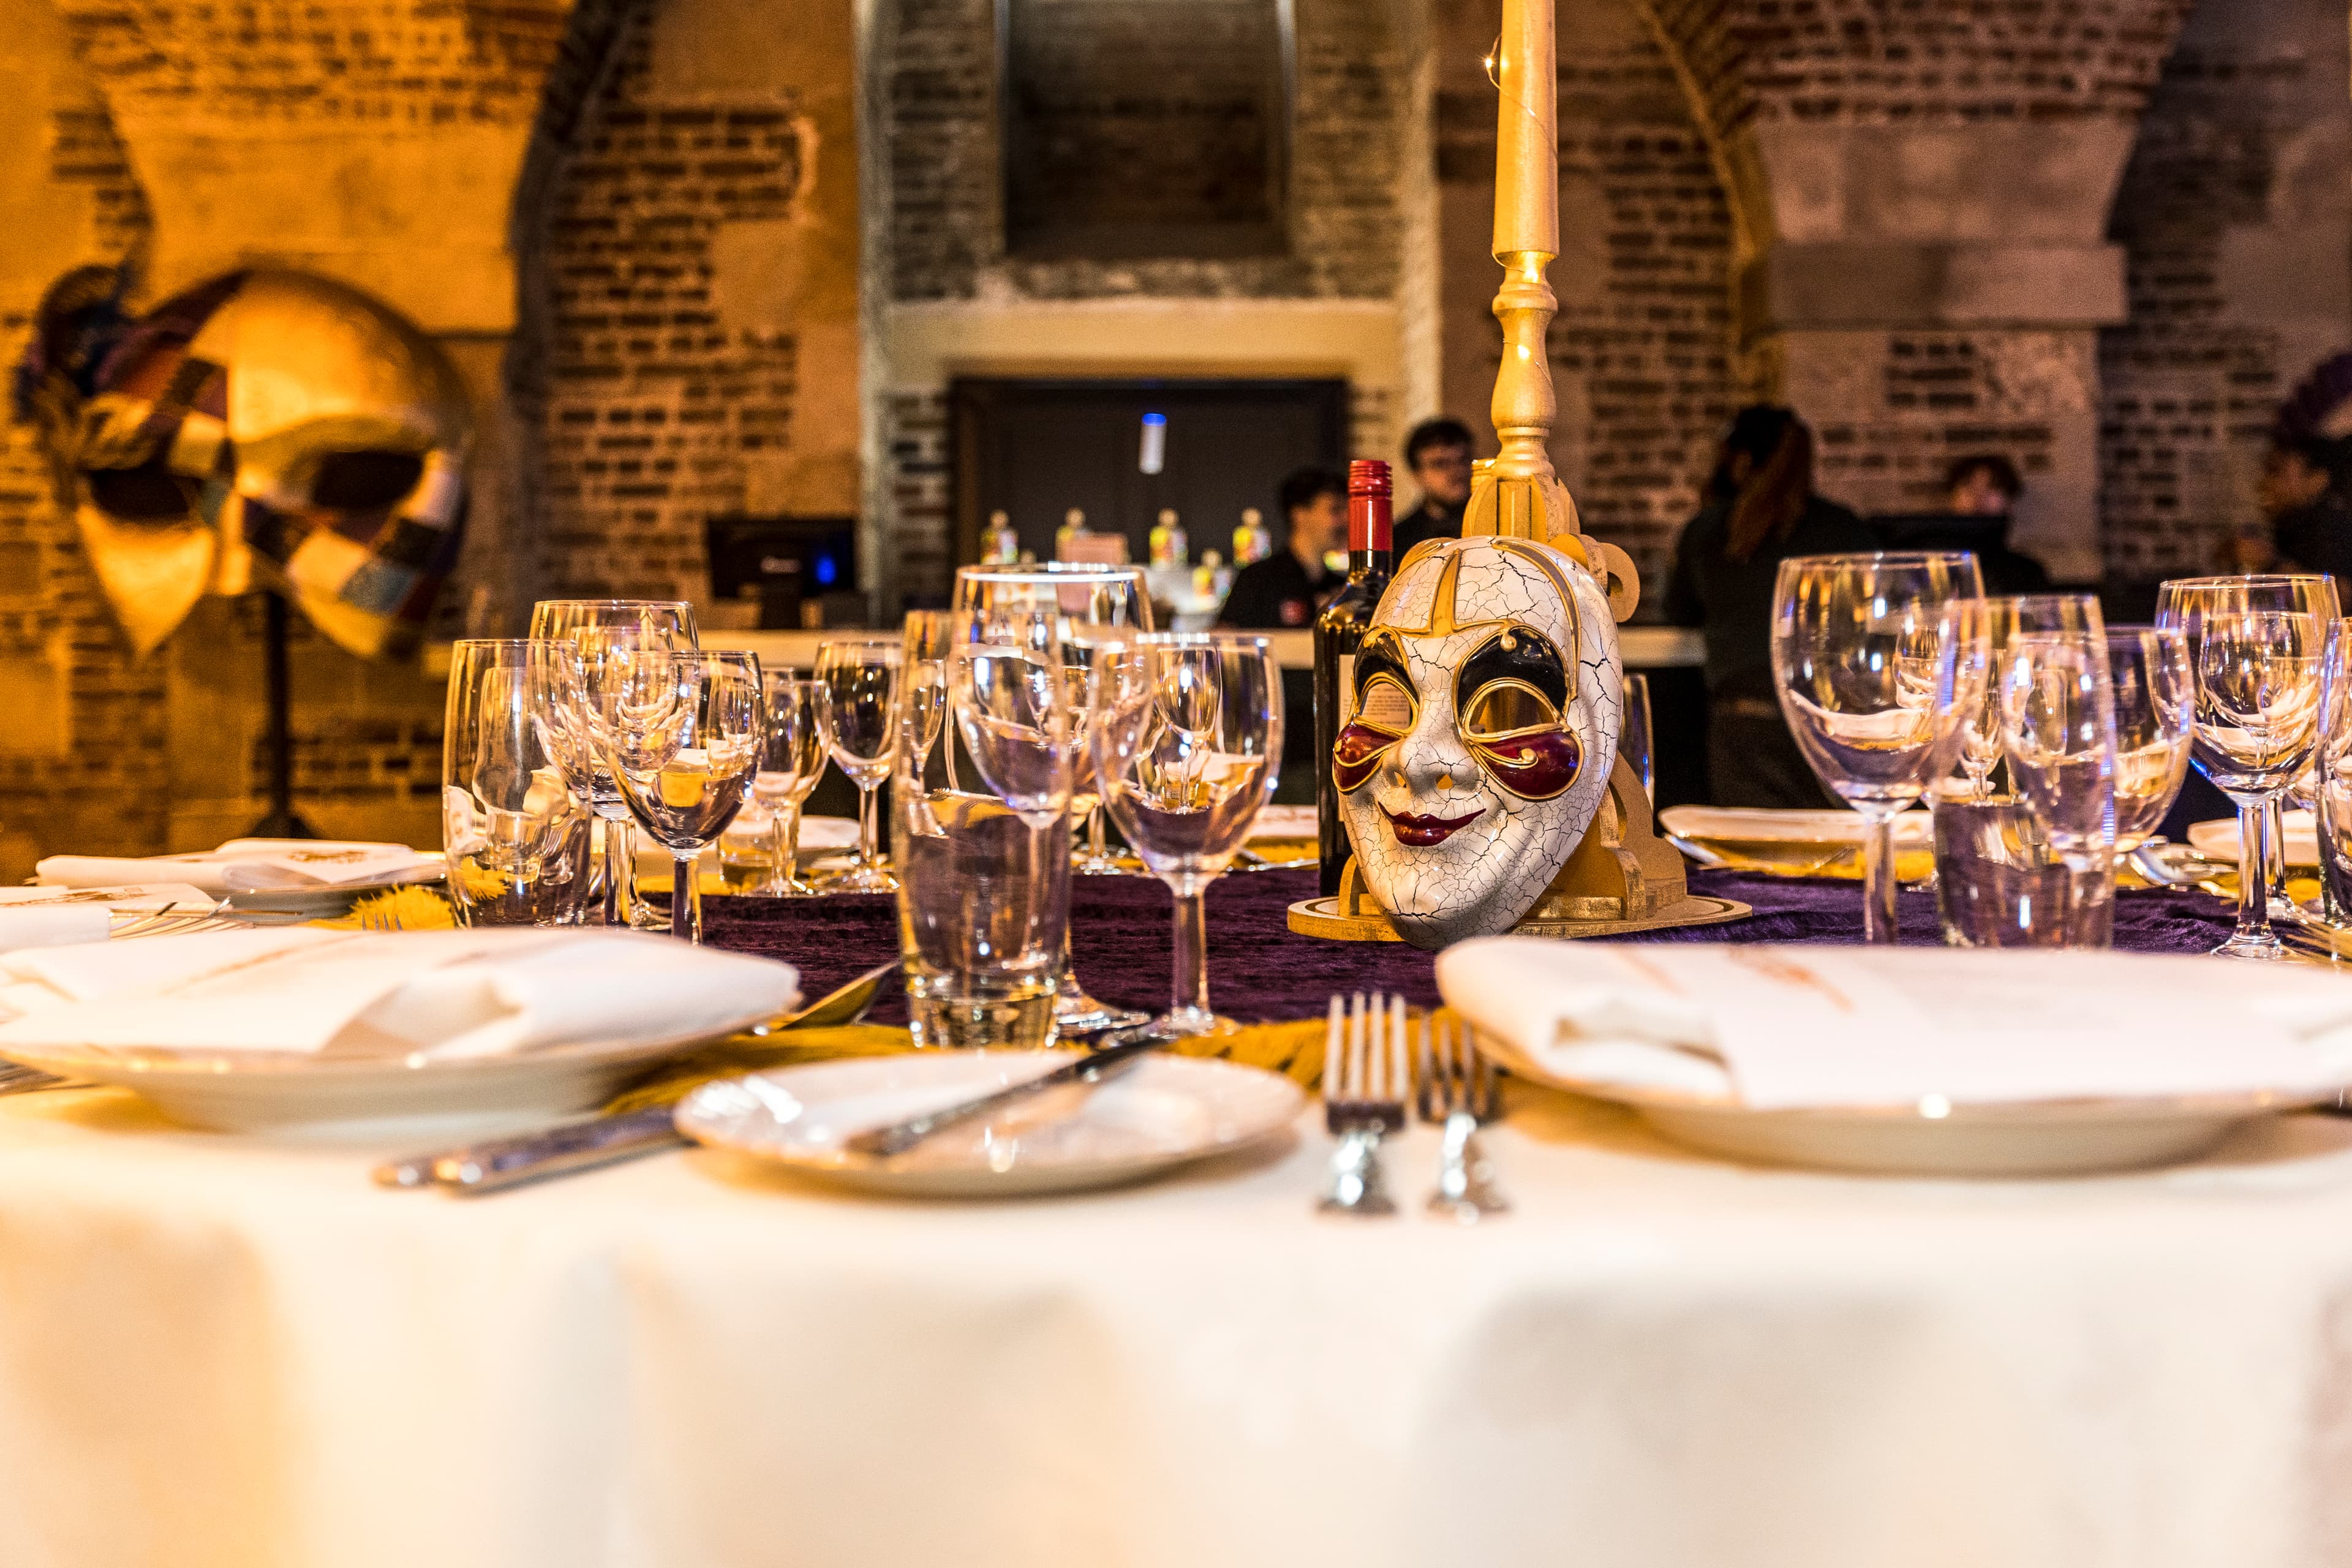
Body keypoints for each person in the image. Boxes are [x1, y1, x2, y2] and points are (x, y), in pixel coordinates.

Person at [1666, 405, 1877, 810]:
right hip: (1829, 719)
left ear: (1741, 459)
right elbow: (1876, 618)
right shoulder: (1844, 528)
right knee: (1834, 859)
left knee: (1755, 861)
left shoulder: (1710, 530)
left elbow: (1678, 610)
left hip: (1746, 718)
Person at [1216, 466, 1346, 630]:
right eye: (1336, 510)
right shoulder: (1258, 579)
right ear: (1299, 515)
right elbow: (1225, 639)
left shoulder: (1340, 586)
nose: (1347, 520)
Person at [1942, 453, 2051, 594]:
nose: (1979, 496)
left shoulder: (2026, 572)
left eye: (1991, 487)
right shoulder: (1938, 569)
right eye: (1969, 487)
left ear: (2010, 501)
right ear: (1952, 498)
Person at [2256, 432, 2352, 580]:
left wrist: (2269, 562)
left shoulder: (2328, 527)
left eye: (2277, 472)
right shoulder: (2292, 526)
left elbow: (2339, 595)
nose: (2266, 483)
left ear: (2317, 480)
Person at [1393, 417, 1475, 559]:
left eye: (1463, 460)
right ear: (1417, 475)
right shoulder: (1399, 540)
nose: (1457, 472)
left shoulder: (1493, 527)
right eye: (1441, 464)